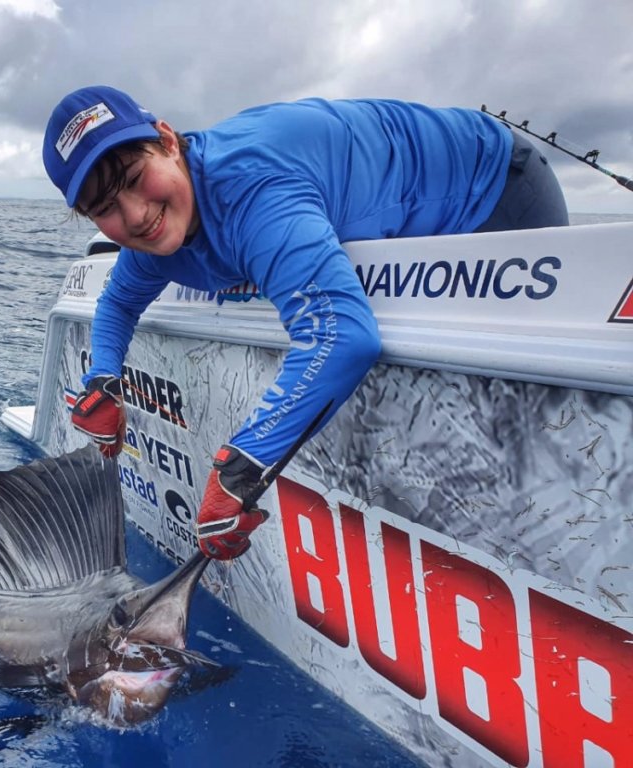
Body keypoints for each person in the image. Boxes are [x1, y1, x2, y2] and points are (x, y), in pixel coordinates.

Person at [41, 85, 569, 561]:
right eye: (108, 208)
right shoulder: (154, 236)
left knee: (531, 423)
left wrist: (240, 468)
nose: (135, 216)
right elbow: (118, 304)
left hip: (492, 186)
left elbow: (343, 335)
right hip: (399, 212)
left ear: (168, 140)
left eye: (136, 179)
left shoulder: (251, 193)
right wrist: (102, 381)